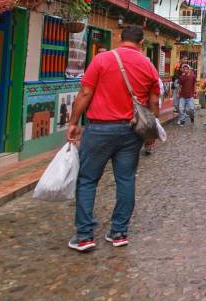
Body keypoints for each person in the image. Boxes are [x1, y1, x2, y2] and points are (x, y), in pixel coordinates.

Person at [65, 25, 160, 252]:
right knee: (126, 180)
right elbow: (154, 103)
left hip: (99, 128)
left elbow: (86, 92)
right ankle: (119, 232)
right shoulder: (148, 66)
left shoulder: (102, 60)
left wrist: (73, 122)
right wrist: (150, 133)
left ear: (120, 39)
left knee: (87, 180)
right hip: (131, 131)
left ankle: (85, 236)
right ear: (141, 43)